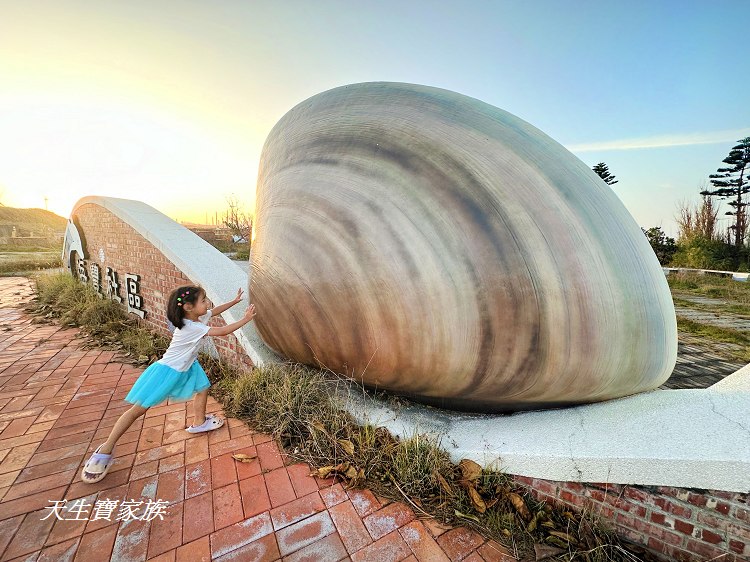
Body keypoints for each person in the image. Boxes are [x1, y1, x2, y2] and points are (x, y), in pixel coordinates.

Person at [80, 285, 256, 483]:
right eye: (204, 300)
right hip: (168, 372)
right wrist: (246, 319)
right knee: (138, 409)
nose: (208, 303)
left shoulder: (195, 318)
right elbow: (223, 331)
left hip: (188, 366)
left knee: (203, 387)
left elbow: (214, 312)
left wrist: (234, 301)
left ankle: (199, 422)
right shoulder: (193, 327)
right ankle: (105, 450)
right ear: (189, 307)